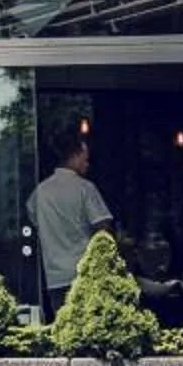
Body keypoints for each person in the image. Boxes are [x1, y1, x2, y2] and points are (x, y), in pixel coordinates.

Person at [31, 132, 117, 315]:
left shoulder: (40, 192)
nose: (88, 164)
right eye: (85, 159)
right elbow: (103, 229)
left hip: (54, 276)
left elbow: (33, 220)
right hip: (84, 272)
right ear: (75, 155)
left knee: (65, 325)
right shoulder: (85, 188)